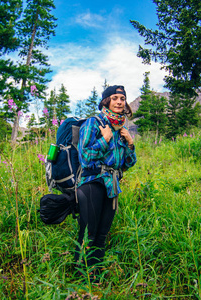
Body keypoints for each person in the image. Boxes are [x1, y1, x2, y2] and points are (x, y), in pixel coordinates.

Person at [74, 85, 137, 276]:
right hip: (92, 182)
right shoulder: (94, 123)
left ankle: (95, 273)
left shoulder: (122, 129)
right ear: (106, 101)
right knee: (89, 232)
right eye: (115, 98)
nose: (119, 102)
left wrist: (130, 144)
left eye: (122, 98)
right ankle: (80, 275)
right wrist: (105, 139)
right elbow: (84, 157)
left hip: (112, 185)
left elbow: (128, 164)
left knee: (102, 234)